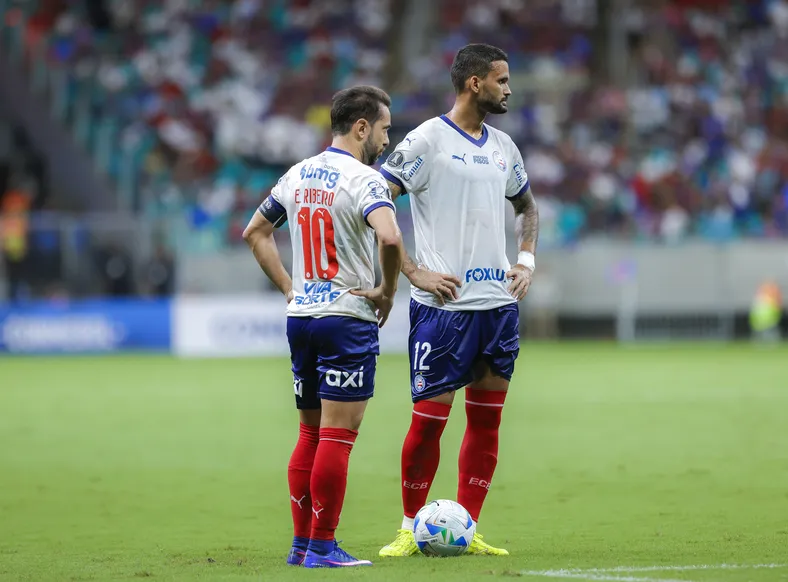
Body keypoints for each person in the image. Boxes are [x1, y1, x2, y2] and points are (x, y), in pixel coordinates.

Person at [377, 44, 539, 557]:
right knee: (428, 424)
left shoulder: (505, 147)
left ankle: (466, 528)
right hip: (444, 311)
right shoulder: (426, 140)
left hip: (498, 307)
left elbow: (528, 208)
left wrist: (527, 260)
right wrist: (412, 270)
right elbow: (376, 198)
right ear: (474, 83)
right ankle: (408, 527)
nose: (509, 88)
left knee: (487, 423)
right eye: (501, 79)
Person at [242, 86, 404, 568]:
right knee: (338, 436)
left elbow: (255, 231)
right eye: (384, 129)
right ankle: (323, 545)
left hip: (302, 321)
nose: (386, 139)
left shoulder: (297, 174)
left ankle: (301, 544)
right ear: (361, 127)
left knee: (310, 434)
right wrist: (387, 291)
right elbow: (391, 236)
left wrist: (291, 288)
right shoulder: (365, 179)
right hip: (346, 318)